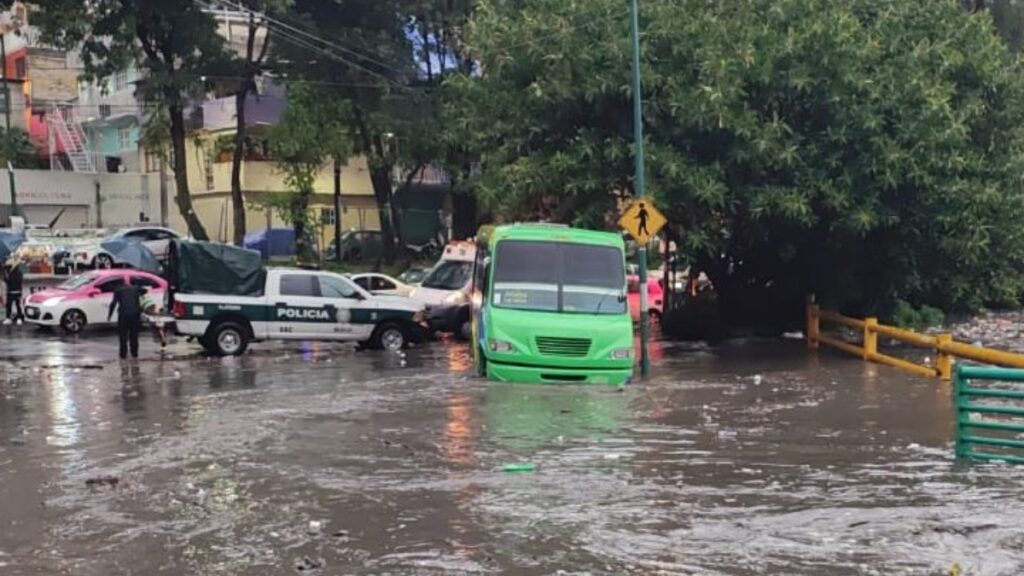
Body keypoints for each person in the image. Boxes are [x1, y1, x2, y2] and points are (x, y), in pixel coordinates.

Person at [108, 282, 146, 359]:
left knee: (123, 335)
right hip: (135, 314)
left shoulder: (118, 290)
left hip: (123, 314)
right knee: (134, 334)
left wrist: (109, 315)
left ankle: (123, 354)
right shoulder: (135, 288)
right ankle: (134, 353)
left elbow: (113, 303)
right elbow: (145, 290)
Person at [3, 257, 24, 325]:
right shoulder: (17, 272)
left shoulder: (14, 273)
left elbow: (11, 282)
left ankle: (15, 318)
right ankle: (16, 318)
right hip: (15, 291)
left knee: (14, 305)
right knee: (14, 305)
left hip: (13, 291)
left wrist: (6, 278)